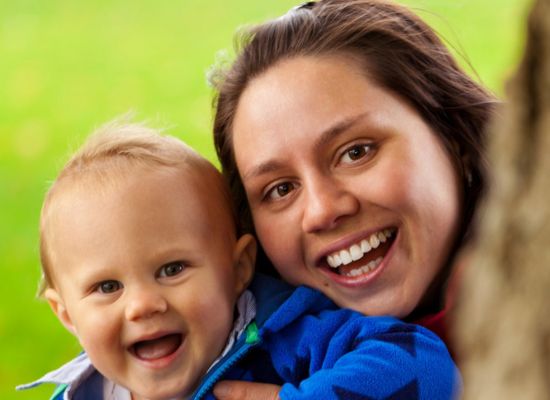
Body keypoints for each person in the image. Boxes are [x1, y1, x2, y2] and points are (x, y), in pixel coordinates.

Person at [18, 120, 459, 399]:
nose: (142, 306)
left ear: (239, 270)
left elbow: (424, 365)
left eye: (172, 270)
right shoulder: (82, 392)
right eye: (107, 287)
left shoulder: (283, 341)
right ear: (67, 314)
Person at [211, 0, 496, 398]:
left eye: (356, 152)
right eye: (281, 189)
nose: (323, 210)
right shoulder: (226, 360)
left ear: (452, 137)